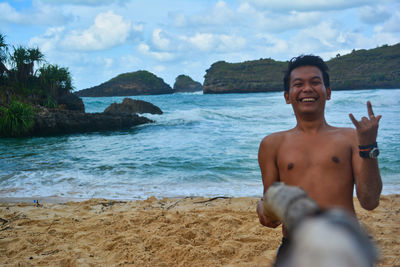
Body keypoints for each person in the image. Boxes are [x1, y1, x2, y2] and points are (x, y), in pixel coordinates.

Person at [256, 55, 382, 258]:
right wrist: (263, 208)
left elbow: (370, 201)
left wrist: (368, 145)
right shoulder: (272, 145)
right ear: (287, 96)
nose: (307, 88)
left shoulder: (351, 138)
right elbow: (272, 218)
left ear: (328, 92)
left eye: (315, 82)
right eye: (298, 84)